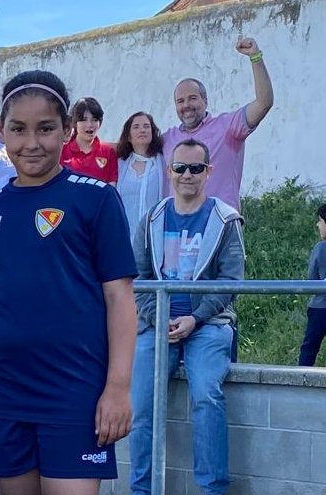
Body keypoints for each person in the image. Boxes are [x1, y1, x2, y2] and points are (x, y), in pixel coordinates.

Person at [0, 69, 137, 495]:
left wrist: (117, 388)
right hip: (7, 394)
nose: (31, 142)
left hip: (73, 391)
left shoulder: (95, 199)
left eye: (44, 128)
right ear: (1, 132)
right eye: (18, 129)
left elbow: (121, 298)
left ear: (65, 129)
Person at [117, 139, 244, 495]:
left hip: (208, 326)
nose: (187, 175)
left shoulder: (225, 219)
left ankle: (212, 492)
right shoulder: (153, 218)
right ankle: (143, 494)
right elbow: (136, 276)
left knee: (206, 394)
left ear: (208, 172)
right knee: (140, 401)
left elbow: (231, 281)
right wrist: (159, 316)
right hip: (158, 324)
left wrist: (195, 318)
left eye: (196, 168)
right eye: (180, 168)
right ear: (169, 172)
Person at [161, 36, 274, 208]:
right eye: (180, 101)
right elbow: (130, 146)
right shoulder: (167, 138)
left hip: (220, 224)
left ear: (205, 101)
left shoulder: (228, 127)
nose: (186, 106)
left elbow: (263, 103)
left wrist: (255, 57)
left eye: (192, 98)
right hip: (178, 227)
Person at [115, 112, 166, 228]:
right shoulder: (120, 165)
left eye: (146, 126)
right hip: (125, 233)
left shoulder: (163, 163)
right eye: (136, 127)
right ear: (128, 136)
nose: (142, 130)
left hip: (154, 233)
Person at [60, 97, 118, 184]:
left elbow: (111, 186)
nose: (89, 125)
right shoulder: (61, 151)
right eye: (84, 120)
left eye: (94, 120)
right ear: (75, 123)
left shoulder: (108, 152)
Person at [298, 203, 326, 367]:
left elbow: (312, 278)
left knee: (310, 346)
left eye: (320, 221)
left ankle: (302, 378)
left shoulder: (321, 248)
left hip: (320, 307)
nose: (318, 225)